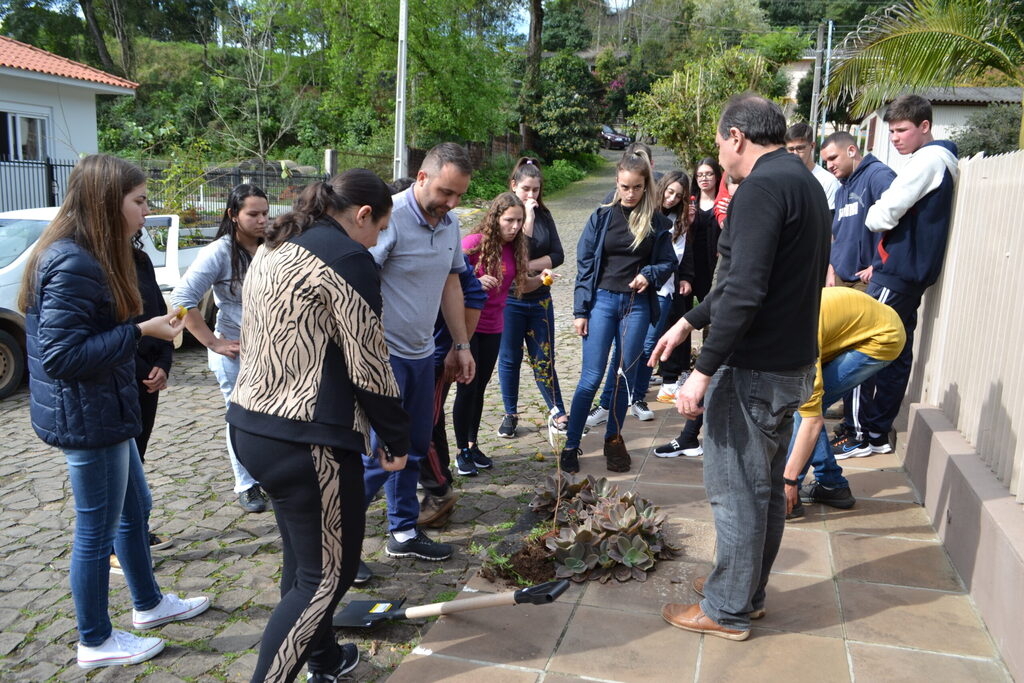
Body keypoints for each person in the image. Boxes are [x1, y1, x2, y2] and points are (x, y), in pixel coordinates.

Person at [19, 154, 210, 669]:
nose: (147, 212)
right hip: (89, 418)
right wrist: (140, 332)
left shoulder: (94, 253)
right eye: (140, 201)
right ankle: (95, 640)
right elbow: (62, 356)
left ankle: (148, 604)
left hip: (107, 408)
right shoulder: (75, 260)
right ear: (108, 202)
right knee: (95, 532)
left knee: (135, 508)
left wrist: (147, 333)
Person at [653, 94, 830, 640]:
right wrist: (689, 321)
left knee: (736, 491)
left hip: (755, 369)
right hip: (792, 364)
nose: (719, 156)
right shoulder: (804, 182)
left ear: (736, 137)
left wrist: (703, 370)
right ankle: (746, 594)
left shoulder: (759, 190)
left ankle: (726, 608)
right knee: (764, 488)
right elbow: (739, 283)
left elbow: (746, 291)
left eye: (719, 142)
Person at [226, 169, 408, 683]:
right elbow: (370, 364)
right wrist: (395, 438)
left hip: (252, 425)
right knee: (327, 577)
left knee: (305, 560)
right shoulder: (349, 259)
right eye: (380, 228)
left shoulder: (277, 241)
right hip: (306, 438)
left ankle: (324, 659)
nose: (378, 241)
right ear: (363, 214)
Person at [363, 142, 475, 564]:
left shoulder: (449, 224)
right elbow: (359, 280)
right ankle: (334, 542)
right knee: (378, 453)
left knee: (412, 444)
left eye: (459, 195)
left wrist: (461, 345)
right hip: (382, 355)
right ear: (422, 178)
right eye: (445, 192)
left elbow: (451, 283)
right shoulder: (387, 217)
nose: (451, 203)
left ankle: (403, 530)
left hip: (422, 354)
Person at [833, 94, 959, 459]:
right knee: (897, 354)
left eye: (902, 130)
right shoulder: (941, 161)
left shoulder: (927, 162)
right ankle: (875, 433)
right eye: (891, 131)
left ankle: (858, 432)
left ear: (925, 127)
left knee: (862, 342)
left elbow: (882, 215)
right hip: (910, 273)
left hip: (898, 272)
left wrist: (874, 215)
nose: (895, 138)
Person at [560, 148, 676, 474]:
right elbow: (584, 266)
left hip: (636, 306)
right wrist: (580, 311)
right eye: (624, 186)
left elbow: (668, 262)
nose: (630, 194)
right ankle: (571, 443)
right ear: (617, 180)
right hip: (602, 302)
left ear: (645, 185)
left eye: (636, 187)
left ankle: (613, 440)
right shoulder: (601, 216)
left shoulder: (655, 221)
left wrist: (649, 275)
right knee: (591, 378)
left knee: (622, 376)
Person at [171, 184, 270, 513]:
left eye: (265, 214)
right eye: (252, 214)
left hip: (271, 352)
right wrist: (212, 343)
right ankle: (246, 483)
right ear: (233, 215)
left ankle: (270, 474)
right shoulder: (219, 252)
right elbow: (182, 300)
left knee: (271, 418)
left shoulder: (273, 246)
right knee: (240, 419)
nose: (261, 220)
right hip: (234, 351)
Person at [783, 287, 905, 519]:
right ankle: (831, 484)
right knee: (807, 405)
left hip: (882, 337)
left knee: (808, 408)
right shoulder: (789, 313)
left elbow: (812, 416)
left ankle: (791, 495)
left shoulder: (800, 334)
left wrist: (788, 480)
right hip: (866, 322)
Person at [588, 170, 694, 426]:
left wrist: (676, 275)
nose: (671, 199)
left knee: (648, 348)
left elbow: (676, 258)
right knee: (623, 353)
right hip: (633, 291)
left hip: (662, 291)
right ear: (659, 189)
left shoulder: (679, 222)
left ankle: (637, 399)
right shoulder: (645, 214)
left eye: (678, 196)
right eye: (669, 192)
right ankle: (606, 404)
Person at [453, 192, 529, 474]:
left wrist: (542, 277)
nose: (515, 226)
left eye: (520, 221)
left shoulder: (516, 247)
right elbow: (447, 278)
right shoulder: (473, 245)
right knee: (466, 387)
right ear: (495, 219)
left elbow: (521, 283)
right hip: (469, 326)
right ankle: (460, 451)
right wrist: (473, 279)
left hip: (495, 326)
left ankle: (472, 445)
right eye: (510, 220)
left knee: (481, 387)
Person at [653, 159, 724, 458]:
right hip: (704, 294)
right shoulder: (662, 216)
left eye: (678, 195)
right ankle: (688, 431)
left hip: (724, 296)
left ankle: (692, 433)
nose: (672, 198)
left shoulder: (722, 209)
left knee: (716, 365)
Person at [496, 157, 567, 442]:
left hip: (539, 297)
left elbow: (559, 255)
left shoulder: (545, 215)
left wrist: (533, 266)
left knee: (543, 357)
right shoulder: (508, 218)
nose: (531, 195)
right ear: (514, 186)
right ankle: (511, 414)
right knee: (510, 359)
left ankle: (557, 410)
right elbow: (516, 255)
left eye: (536, 190)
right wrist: (527, 218)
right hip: (511, 300)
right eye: (526, 189)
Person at [418, 254, 486, 528]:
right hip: (409, 355)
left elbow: (473, 293)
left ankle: (439, 490)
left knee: (422, 425)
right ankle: (439, 485)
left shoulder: (442, 244)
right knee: (431, 422)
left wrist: (456, 347)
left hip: (432, 356)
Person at [131, 233, 174, 551]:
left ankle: (135, 533)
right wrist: (143, 369)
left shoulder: (140, 259)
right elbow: (106, 332)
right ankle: (120, 543)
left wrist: (163, 362)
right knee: (122, 466)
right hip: (123, 378)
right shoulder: (96, 265)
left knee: (137, 458)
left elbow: (161, 315)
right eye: (139, 201)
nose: (146, 211)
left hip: (150, 377)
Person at [819, 131, 893, 291]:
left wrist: (877, 266)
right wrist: (831, 270)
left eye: (833, 158)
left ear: (851, 151)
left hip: (866, 279)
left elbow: (901, 223)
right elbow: (837, 236)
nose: (829, 166)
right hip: (839, 278)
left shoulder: (878, 176)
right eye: (826, 162)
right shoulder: (841, 191)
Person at [785, 122, 840, 214]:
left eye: (800, 148)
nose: (795, 153)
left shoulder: (827, 181)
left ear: (812, 146)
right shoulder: (783, 179)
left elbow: (831, 221)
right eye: (791, 149)